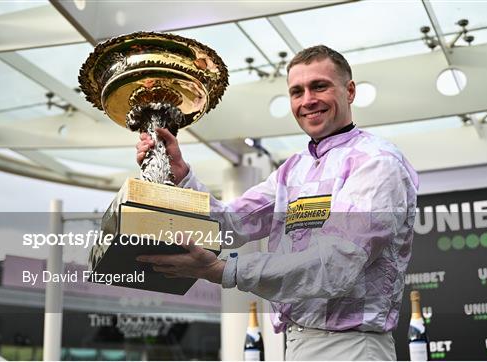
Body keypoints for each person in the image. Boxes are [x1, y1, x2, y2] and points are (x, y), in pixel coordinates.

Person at [135, 45, 418, 361]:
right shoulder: (292, 169)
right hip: (295, 344)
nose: (307, 100)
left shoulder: (378, 162)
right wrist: (182, 175)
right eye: (297, 91)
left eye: (319, 86)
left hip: (352, 347)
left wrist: (223, 270)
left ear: (349, 91)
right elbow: (232, 223)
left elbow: (337, 264)